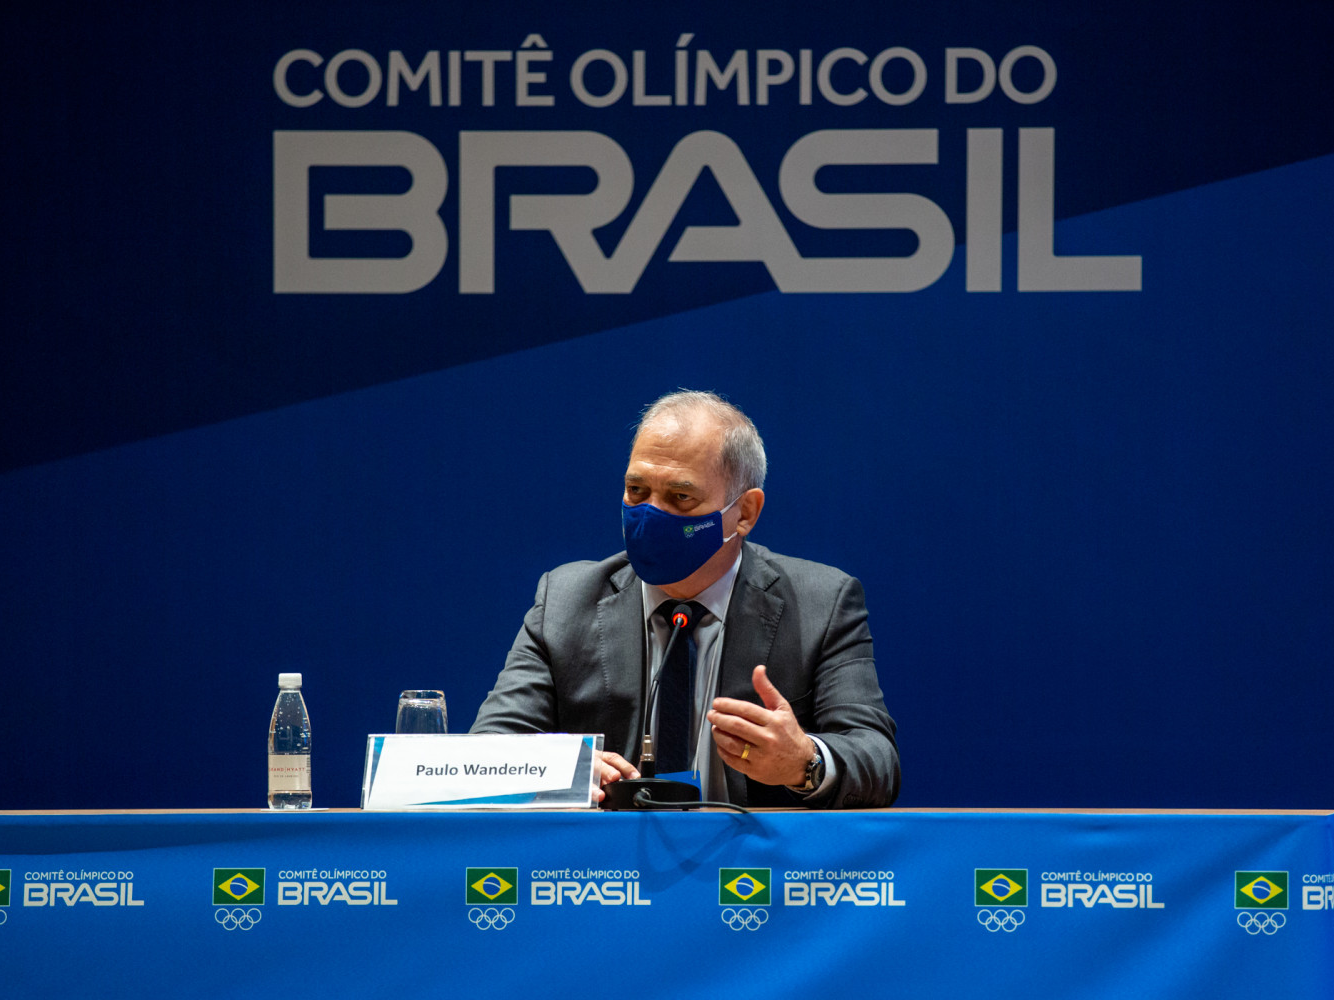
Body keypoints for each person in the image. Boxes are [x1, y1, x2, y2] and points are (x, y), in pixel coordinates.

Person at [471, 390, 899, 808]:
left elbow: (876, 759)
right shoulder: (566, 600)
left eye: (680, 497)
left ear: (745, 512)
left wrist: (803, 762)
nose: (651, 514)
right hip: (604, 869)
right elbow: (485, 754)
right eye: (636, 491)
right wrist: (564, 770)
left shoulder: (821, 603)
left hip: (750, 868)